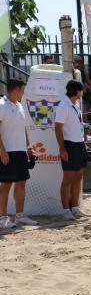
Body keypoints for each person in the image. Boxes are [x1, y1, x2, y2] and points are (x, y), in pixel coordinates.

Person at [0, 79, 38, 228]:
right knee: (5, 185)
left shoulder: (20, 106)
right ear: (15, 89)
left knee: (21, 183)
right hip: (7, 151)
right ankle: (2, 219)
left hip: (21, 151)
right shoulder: (1, 104)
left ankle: (20, 216)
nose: (24, 92)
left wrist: (28, 146)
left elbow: (23, 128)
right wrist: (2, 151)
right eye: (22, 89)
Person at [55, 80, 90, 221]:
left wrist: (83, 140)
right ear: (76, 91)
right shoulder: (63, 105)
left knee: (78, 176)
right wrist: (62, 149)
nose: (82, 93)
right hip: (69, 145)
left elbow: (76, 126)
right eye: (81, 90)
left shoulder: (75, 105)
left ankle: (75, 208)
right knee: (68, 178)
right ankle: (65, 210)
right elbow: (57, 128)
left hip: (79, 144)